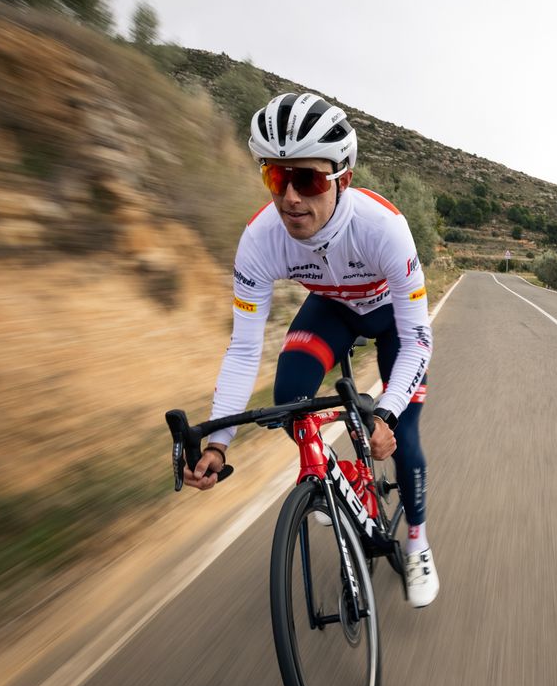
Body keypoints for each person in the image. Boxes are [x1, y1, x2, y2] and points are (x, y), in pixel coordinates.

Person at [183, 92, 438, 608]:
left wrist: (385, 412)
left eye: (309, 180)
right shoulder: (260, 240)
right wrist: (219, 441)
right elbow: (243, 349)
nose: (291, 198)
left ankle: (416, 544)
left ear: (342, 179)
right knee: (289, 402)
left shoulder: (383, 228)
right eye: (277, 178)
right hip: (333, 311)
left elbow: (418, 338)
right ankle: (333, 476)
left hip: (392, 322)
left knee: (403, 435)